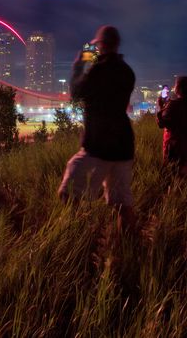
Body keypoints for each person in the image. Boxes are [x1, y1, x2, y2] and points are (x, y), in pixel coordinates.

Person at [58, 25, 137, 231]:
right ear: (117, 44)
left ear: (100, 45)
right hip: (123, 145)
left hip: (100, 144)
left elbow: (76, 93)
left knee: (68, 192)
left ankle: (76, 235)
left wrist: (79, 65)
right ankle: (129, 245)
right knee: (122, 203)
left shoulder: (99, 69)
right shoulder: (127, 71)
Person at [156, 75, 187, 175]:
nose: (174, 87)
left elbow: (162, 124)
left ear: (180, 89)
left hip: (175, 147)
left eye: (176, 85)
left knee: (173, 173)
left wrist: (160, 107)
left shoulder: (173, 105)